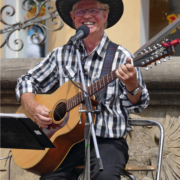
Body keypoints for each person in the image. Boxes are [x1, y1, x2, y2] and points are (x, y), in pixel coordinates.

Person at [15, 0, 150, 179]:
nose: (87, 15)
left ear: (105, 15)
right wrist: (32, 106)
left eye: (94, 10)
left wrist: (133, 85)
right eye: (80, 11)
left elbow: (138, 105)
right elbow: (27, 80)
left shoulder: (121, 57)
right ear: (73, 17)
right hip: (65, 141)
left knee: (106, 177)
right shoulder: (61, 54)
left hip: (106, 140)